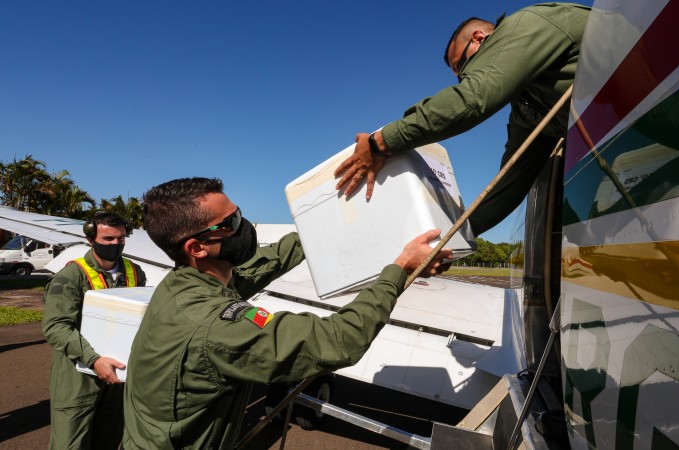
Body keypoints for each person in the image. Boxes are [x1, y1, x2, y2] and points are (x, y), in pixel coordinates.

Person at [122, 177, 451, 449]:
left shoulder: (184, 284)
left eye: (240, 214)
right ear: (197, 248)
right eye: (232, 223)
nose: (245, 226)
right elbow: (341, 340)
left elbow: (267, 262)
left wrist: (331, 225)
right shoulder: (213, 323)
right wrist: (400, 268)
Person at [335, 3, 590, 236]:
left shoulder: (525, 24)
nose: (463, 77)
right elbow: (508, 184)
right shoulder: (528, 109)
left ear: (479, 37)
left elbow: (472, 98)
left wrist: (379, 142)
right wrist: (456, 238)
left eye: (462, 67)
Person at [42, 212, 147, 449]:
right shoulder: (70, 276)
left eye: (121, 239)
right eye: (108, 239)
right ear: (91, 239)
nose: (116, 245)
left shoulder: (134, 272)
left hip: (118, 375)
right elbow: (56, 327)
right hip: (78, 376)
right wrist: (93, 359)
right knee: (70, 444)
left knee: (108, 441)